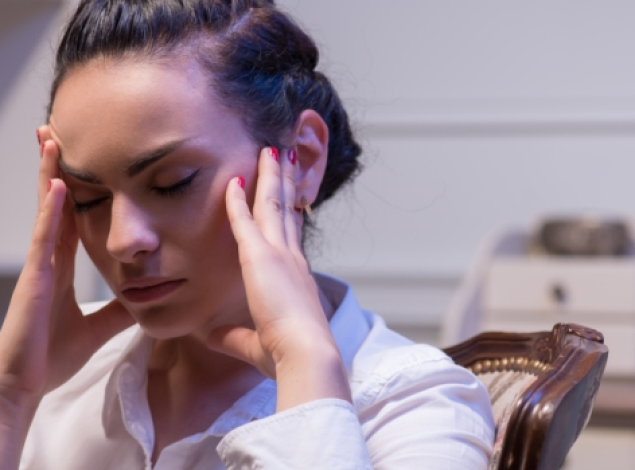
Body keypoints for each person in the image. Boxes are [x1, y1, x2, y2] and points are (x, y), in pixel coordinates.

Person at [0, 1, 494, 468]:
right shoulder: (50, 374)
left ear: (301, 159)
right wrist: (11, 396)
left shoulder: (416, 408)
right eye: (88, 198)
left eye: (172, 183)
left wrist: (304, 372)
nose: (121, 241)